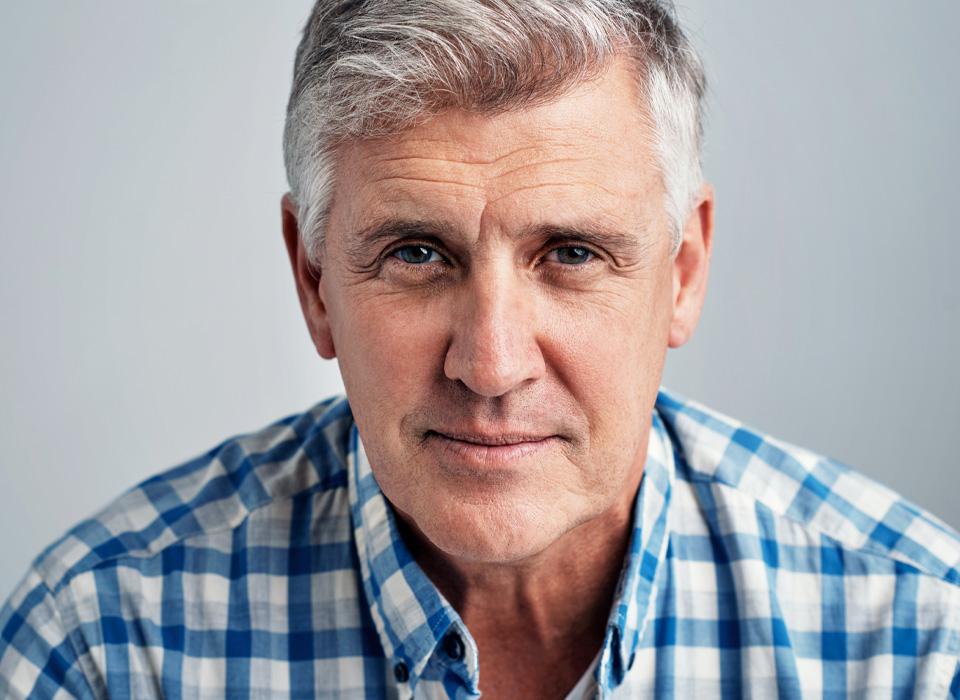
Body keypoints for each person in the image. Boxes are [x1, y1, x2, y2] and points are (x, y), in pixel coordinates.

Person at [2, 1, 959, 698]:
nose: (492, 365)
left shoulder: (917, 644)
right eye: (417, 254)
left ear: (686, 270)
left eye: (573, 253)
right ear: (312, 280)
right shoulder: (103, 645)